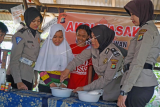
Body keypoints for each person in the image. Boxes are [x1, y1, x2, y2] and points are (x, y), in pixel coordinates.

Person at [61, 25, 127, 101]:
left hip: (112, 92)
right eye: (91, 37)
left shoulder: (114, 55)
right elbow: (78, 59)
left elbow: (106, 79)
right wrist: (67, 70)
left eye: (95, 38)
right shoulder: (94, 49)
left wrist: (84, 88)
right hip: (98, 90)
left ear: (103, 38)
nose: (92, 40)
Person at [117, 0, 160, 107]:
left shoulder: (145, 31)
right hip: (138, 84)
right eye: (131, 14)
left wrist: (124, 91)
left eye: (134, 14)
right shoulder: (147, 29)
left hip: (139, 85)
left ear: (142, 12)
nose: (131, 17)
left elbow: (138, 62)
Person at [8, 7, 43, 90]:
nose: (36, 23)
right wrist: (18, 81)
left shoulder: (37, 35)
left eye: (38, 21)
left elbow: (35, 57)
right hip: (19, 76)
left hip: (30, 76)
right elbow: (14, 60)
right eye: (33, 21)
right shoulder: (20, 35)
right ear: (28, 19)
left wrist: (35, 77)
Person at [34, 24, 73, 93]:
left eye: (60, 37)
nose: (57, 40)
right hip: (45, 86)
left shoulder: (67, 49)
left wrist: (64, 84)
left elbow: (69, 69)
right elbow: (40, 68)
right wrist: (50, 84)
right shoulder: (45, 49)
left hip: (60, 88)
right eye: (54, 37)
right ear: (51, 36)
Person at [67, 25, 93, 89]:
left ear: (88, 36)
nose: (80, 38)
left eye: (83, 36)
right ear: (76, 34)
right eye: (79, 35)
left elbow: (90, 68)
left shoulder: (90, 49)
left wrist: (89, 85)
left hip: (83, 85)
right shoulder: (70, 47)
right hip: (69, 84)